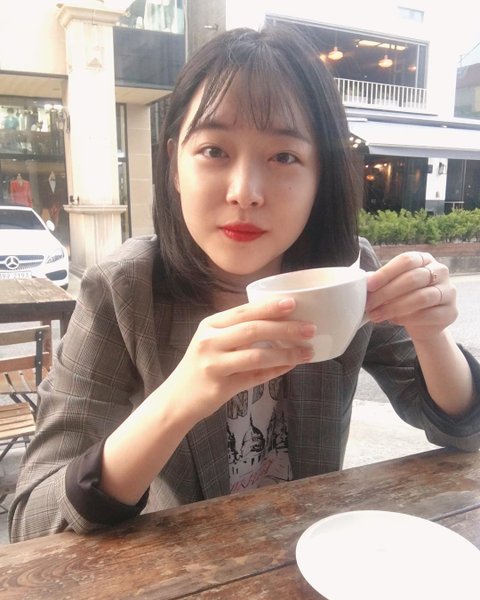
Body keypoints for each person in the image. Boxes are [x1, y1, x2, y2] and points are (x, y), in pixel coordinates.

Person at [9, 25, 480, 542]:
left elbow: (463, 428)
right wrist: (179, 398)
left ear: (320, 176)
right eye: (214, 150)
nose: (245, 192)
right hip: (184, 567)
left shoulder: (345, 274)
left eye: (284, 157)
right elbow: (32, 520)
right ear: (174, 165)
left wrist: (430, 333)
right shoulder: (125, 289)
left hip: (318, 553)